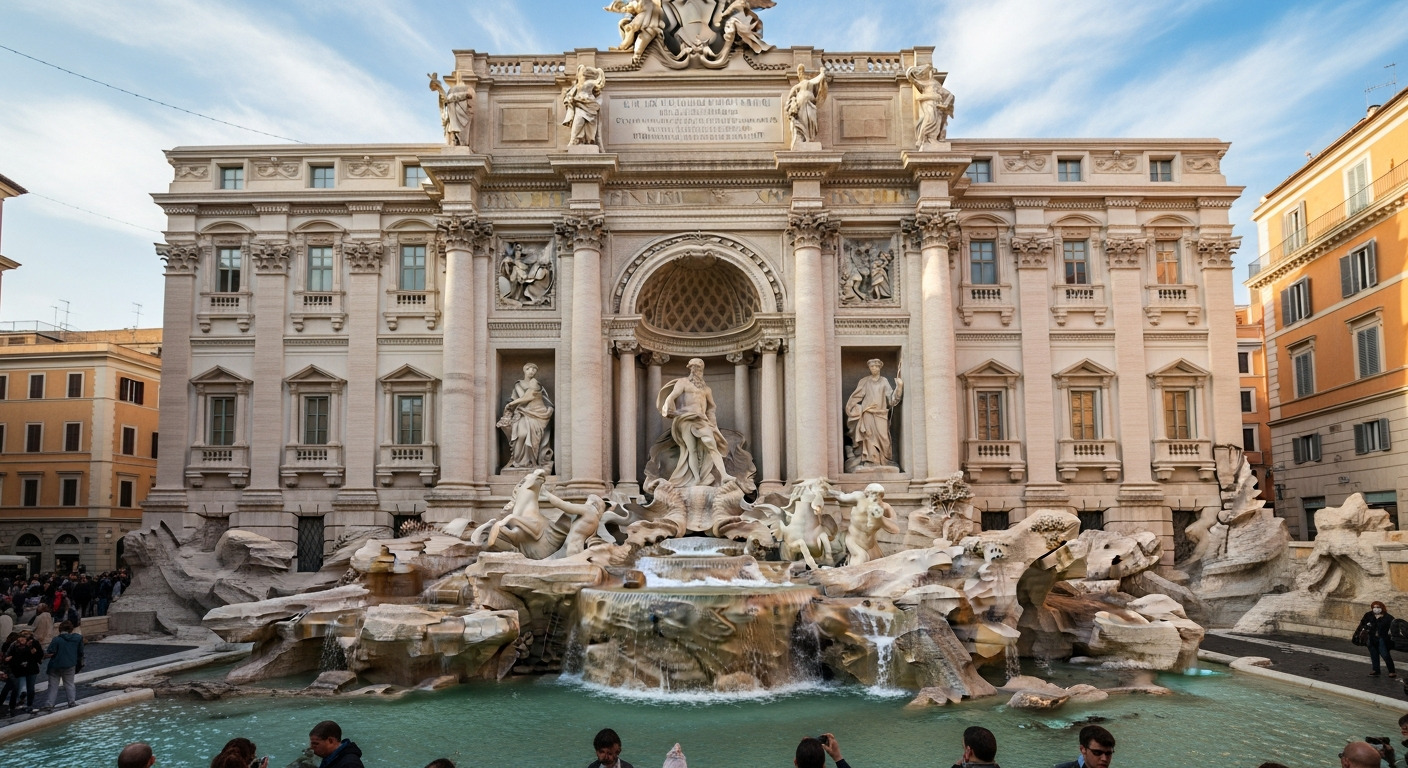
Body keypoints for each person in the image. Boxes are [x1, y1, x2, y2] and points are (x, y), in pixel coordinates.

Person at [658, 358, 731, 487]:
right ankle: (696, 479)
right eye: (693, 367)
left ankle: (724, 475)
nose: (696, 370)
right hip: (685, 418)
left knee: (711, 445)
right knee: (691, 450)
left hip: (701, 419)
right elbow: (672, 396)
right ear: (690, 368)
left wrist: (712, 422)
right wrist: (671, 411)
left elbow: (712, 407)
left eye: (698, 368)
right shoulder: (683, 382)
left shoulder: (706, 389)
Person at [843, 359, 903, 471]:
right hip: (868, 414)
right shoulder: (865, 381)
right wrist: (855, 410)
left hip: (881, 414)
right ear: (869, 368)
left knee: (884, 438)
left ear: (880, 368)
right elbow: (856, 397)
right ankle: (871, 461)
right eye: (872, 367)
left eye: (876, 366)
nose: (874, 368)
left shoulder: (884, 381)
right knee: (869, 437)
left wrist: (899, 387)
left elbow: (891, 400)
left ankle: (884, 461)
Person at [499, 362, 555, 470]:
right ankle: (518, 462)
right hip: (523, 412)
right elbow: (521, 397)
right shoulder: (518, 384)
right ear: (524, 370)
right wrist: (513, 404)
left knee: (533, 437)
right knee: (521, 434)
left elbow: (528, 397)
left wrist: (511, 404)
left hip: (538, 413)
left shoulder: (535, 383)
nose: (532, 371)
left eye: (534, 370)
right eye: (529, 369)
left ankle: (532, 462)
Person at [42, 619, 83, 710]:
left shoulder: (56, 639)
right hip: (70, 664)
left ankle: (49, 704)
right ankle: (71, 702)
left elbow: (51, 652)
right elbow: (80, 652)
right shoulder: (77, 638)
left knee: (53, 685)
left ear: (60, 629)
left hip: (55, 665)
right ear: (71, 629)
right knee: (69, 684)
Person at [786, 64, 827, 148]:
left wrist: (822, 74)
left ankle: (808, 138)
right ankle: (803, 138)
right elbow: (788, 100)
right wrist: (792, 104)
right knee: (802, 121)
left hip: (809, 105)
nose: (801, 74)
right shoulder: (797, 87)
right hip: (800, 106)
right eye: (799, 72)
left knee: (810, 120)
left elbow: (817, 81)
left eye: (802, 72)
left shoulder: (809, 83)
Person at [1356, 600, 1397, 676]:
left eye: (1378, 607)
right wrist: (1365, 628)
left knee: (1385, 654)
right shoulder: (1369, 615)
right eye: (1374, 607)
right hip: (1371, 638)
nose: (1375, 609)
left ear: (1382, 608)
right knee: (1373, 654)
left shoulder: (1388, 617)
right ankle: (1376, 670)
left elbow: (1394, 628)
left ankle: (1392, 671)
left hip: (1382, 638)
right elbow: (1363, 623)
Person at [6, 629, 42, 713]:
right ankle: (29, 705)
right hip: (30, 668)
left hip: (20, 669)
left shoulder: (15, 645)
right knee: (30, 688)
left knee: (21, 687)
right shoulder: (33, 644)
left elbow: (10, 656)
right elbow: (39, 655)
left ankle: (21, 702)